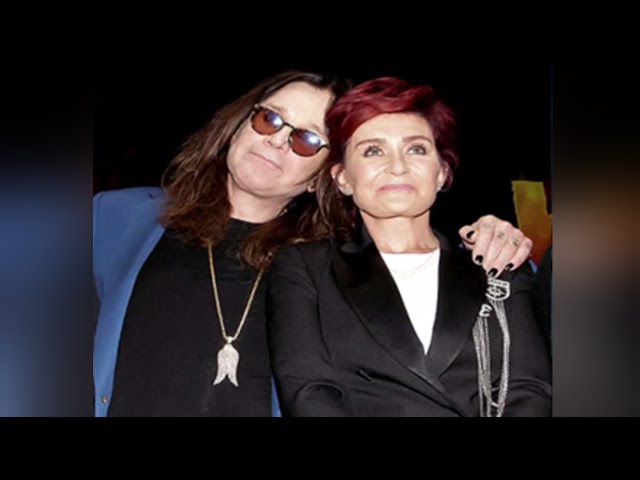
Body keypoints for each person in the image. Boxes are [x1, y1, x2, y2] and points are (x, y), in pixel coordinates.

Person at [94, 71, 533, 417]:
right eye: (269, 118)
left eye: (306, 140)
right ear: (239, 123)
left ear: (323, 177)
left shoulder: (331, 265)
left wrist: (493, 239)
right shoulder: (116, 217)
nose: (276, 139)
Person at [267, 77, 551, 417]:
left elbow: (529, 391)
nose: (397, 167)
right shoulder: (306, 268)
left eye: (416, 149)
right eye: (373, 151)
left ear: (441, 173)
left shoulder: (496, 261)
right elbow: (309, 392)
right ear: (342, 178)